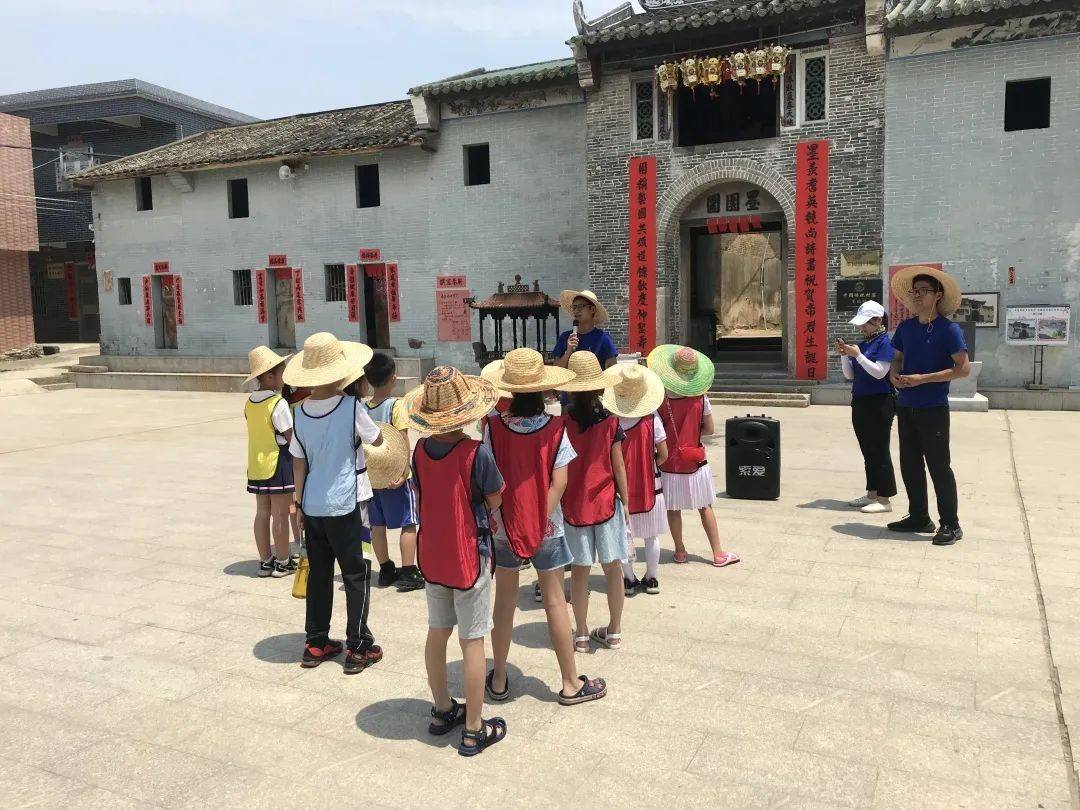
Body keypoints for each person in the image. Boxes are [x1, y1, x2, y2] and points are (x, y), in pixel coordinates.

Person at [481, 348, 608, 706]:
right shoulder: (555, 428)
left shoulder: (493, 428)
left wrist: (512, 517)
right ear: (542, 388)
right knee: (554, 601)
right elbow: (560, 482)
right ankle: (570, 682)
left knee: (504, 601)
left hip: (504, 526)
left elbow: (491, 481)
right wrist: (537, 520)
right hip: (548, 528)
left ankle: (500, 678)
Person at [403, 366, 507, 755]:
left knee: (437, 631)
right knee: (472, 640)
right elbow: (495, 498)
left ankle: (442, 709)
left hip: (433, 554)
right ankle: (474, 728)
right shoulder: (475, 453)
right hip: (469, 557)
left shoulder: (419, 451)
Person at [287, 332, 386, 674]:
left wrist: (299, 504)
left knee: (319, 574)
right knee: (356, 573)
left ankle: (315, 642)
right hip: (347, 503)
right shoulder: (351, 407)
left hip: (313, 504)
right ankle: (358, 646)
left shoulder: (299, 413)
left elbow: (298, 463)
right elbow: (377, 439)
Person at [886, 267, 970, 546]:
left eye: (924, 290)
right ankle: (919, 516)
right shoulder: (906, 328)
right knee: (910, 464)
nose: (918, 295)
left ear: (938, 295)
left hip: (933, 408)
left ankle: (951, 524)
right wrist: (893, 375)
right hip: (906, 405)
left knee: (938, 466)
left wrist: (923, 379)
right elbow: (897, 358)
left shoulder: (950, 330)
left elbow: (963, 369)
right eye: (915, 291)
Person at [554, 353, 629, 652]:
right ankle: (614, 631)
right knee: (613, 568)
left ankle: (582, 634)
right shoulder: (610, 422)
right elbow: (618, 465)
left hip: (574, 504)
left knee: (580, 572)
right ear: (599, 386)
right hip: (607, 501)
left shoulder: (562, 424)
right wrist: (627, 502)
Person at [647, 345, 739, 568]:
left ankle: (680, 551)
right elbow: (709, 429)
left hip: (668, 461)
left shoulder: (660, 400)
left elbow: (656, 433)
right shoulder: (700, 398)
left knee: (673, 508)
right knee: (705, 507)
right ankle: (718, 553)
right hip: (695, 461)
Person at [355, 353, 423, 592]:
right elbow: (402, 439)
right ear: (394, 377)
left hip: (372, 476)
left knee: (377, 524)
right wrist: (404, 472)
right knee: (408, 522)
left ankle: (385, 569)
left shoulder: (362, 408)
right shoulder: (396, 406)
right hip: (395, 474)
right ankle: (408, 571)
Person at [605, 363, 669, 595]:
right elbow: (664, 454)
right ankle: (651, 579)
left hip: (618, 487)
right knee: (651, 536)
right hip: (651, 484)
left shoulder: (610, 421)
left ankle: (629, 580)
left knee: (623, 536)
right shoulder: (652, 419)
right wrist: (649, 464)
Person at [836, 300, 898, 515]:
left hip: (880, 402)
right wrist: (845, 355)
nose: (861, 327)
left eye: (865, 323)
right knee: (868, 450)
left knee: (879, 449)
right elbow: (849, 375)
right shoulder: (862, 345)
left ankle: (884, 499)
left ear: (878, 320)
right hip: (861, 400)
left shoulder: (884, 343)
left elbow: (880, 372)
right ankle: (872, 493)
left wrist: (858, 356)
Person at [243, 346, 298, 578]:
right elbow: (290, 437)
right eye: (281, 372)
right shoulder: (278, 403)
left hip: (256, 464)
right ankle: (283, 561)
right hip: (278, 462)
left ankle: (266, 560)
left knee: (262, 513)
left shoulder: (250, 402)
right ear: (269, 376)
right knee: (281, 514)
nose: (284, 376)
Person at [552, 290, 618, 370]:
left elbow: (613, 370)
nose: (576, 311)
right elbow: (556, 370)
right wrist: (568, 352)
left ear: (592, 309)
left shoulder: (603, 338)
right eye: (574, 307)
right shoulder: (565, 337)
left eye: (581, 306)